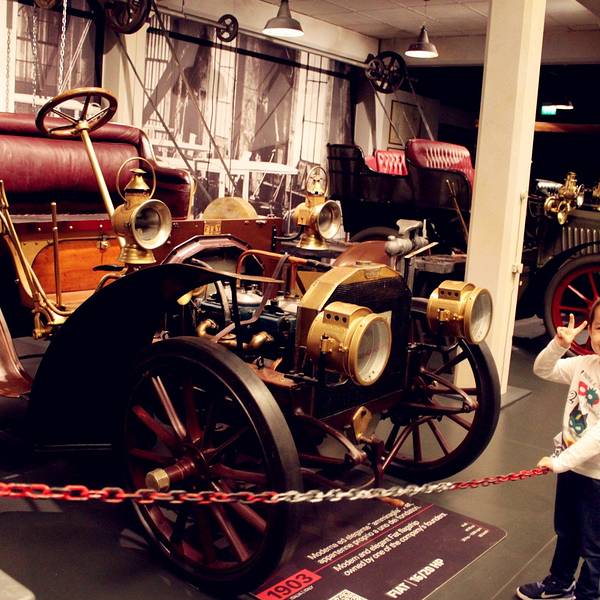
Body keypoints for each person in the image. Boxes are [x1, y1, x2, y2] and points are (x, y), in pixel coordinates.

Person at [517, 300, 600, 600]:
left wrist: (562, 461)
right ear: (590, 331)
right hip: (572, 467)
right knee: (567, 531)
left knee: (595, 547)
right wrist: (558, 345)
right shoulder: (584, 364)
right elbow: (543, 369)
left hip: (596, 477)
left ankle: (589, 595)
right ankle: (561, 582)